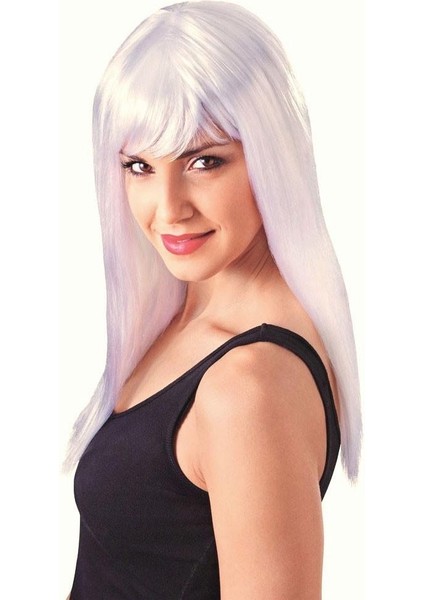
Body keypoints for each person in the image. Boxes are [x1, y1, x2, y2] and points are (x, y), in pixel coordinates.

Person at [65, 1, 362, 598]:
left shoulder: (250, 385)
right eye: (139, 166)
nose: (169, 208)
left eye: (204, 161)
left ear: (273, 154)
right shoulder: (189, 314)